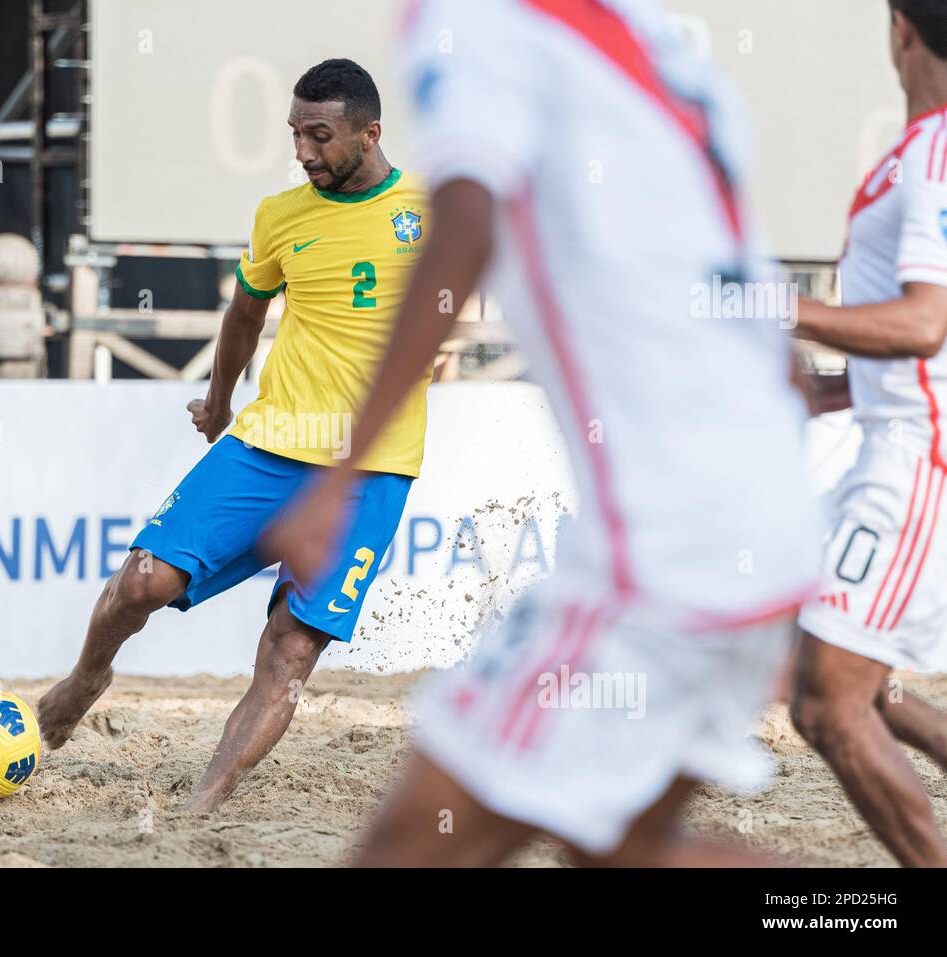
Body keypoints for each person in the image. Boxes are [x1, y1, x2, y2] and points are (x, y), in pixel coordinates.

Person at [265, 0, 820, 865]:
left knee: (405, 852)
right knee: (620, 849)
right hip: (759, 504)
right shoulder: (651, 39)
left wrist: (337, 474)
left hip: (665, 536)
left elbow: (465, 228)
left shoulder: (475, 18)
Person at [37, 59, 432, 813]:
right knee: (145, 579)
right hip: (273, 442)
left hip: (371, 469)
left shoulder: (429, 212)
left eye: (320, 136)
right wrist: (218, 404)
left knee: (288, 652)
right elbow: (244, 314)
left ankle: (199, 809)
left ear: (369, 133)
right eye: (295, 135)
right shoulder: (281, 216)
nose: (304, 152)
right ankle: (89, 673)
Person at [789, 0, 947, 867]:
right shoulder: (917, 154)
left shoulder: (934, 154)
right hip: (889, 447)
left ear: (899, 28)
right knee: (818, 663)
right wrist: (823, 391)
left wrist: (783, 306)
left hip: (913, 462)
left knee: (828, 702)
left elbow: (926, 324)